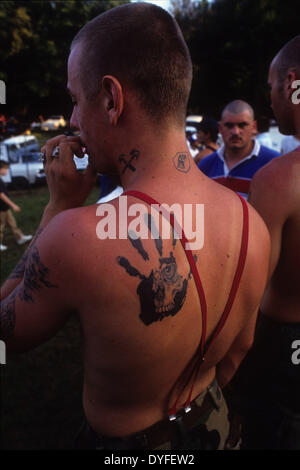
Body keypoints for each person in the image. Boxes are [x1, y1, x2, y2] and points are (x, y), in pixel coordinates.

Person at [0, 3, 270, 450]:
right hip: (217, 428)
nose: (72, 121)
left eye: (74, 98)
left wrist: (57, 208)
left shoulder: (77, 236)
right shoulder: (250, 221)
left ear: (111, 98)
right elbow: (238, 350)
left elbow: (8, 328)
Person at [232, 35, 300, 450]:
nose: (271, 100)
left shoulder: (279, 179)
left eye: (273, 87)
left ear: (293, 82)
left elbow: (246, 299)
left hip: (286, 349)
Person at [198, 100, 280, 199]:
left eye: (242, 125)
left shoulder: (274, 163)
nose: (236, 132)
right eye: (229, 125)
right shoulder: (205, 166)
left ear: (254, 127)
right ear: (220, 128)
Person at [0, 160, 32, 251]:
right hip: (1, 208)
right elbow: (1, 195)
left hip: (5, 207)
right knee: (1, 225)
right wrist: (13, 205)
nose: (6, 171)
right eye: (5, 169)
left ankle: (20, 238)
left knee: (12, 223)